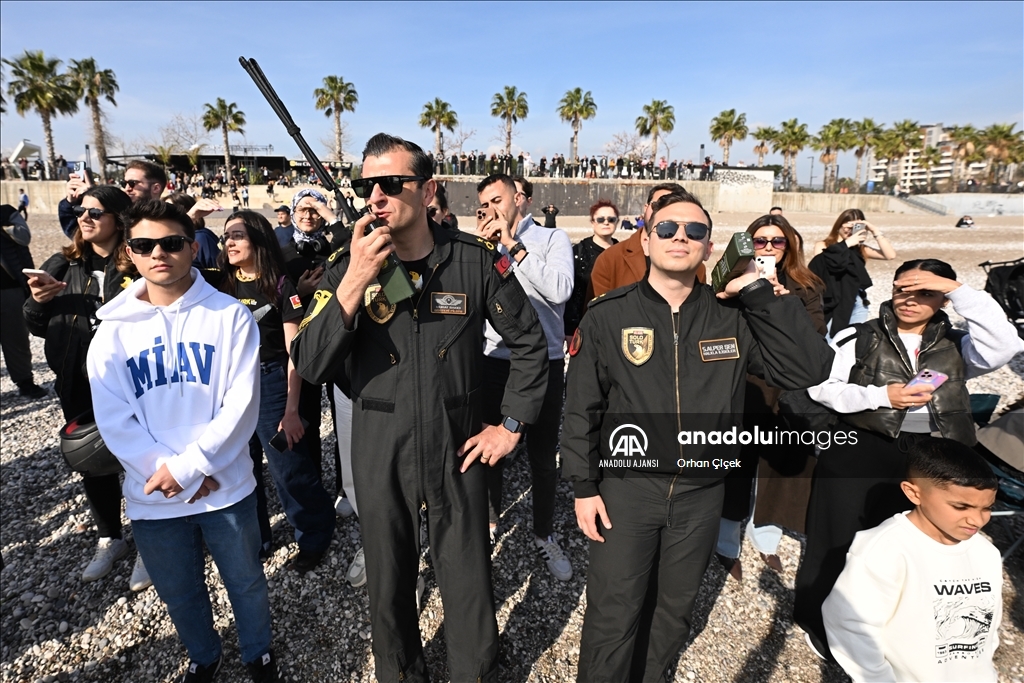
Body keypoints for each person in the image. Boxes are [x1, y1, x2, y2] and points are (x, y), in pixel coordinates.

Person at [291, 133, 549, 682]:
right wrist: (356, 279)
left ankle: (475, 672)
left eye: (391, 183)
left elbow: (530, 343)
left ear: (428, 190)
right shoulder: (347, 266)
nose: (375, 197)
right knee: (388, 581)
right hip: (380, 446)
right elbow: (309, 363)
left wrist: (511, 426)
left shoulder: (474, 261)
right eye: (366, 186)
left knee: (468, 576)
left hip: (459, 442)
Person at [562, 191, 834, 682]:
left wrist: (758, 291)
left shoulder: (734, 315)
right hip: (628, 489)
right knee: (613, 610)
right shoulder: (607, 315)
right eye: (667, 229)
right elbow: (582, 409)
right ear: (646, 241)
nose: (680, 237)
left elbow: (808, 368)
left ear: (710, 247)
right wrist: (583, 487)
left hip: (703, 491)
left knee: (674, 610)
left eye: (695, 231)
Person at [86, 199, 279, 682]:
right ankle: (203, 655)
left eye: (171, 243)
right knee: (179, 591)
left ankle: (258, 652)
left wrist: (190, 469)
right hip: (154, 495)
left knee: (246, 581)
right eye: (144, 244)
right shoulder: (110, 331)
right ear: (129, 252)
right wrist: (176, 473)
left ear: (193, 248)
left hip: (226, 488)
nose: (159, 253)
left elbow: (241, 405)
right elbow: (114, 419)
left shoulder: (230, 316)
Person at [794, 258, 1023, 660]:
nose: (910, 300)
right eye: (902, 289)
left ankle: (886, 621)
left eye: (926, 292)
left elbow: (1007, 345)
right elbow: (824, 389)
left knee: (910, 543)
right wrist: (882, 396)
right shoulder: (858, 335)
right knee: (837, 537)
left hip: (931, 454)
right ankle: (818, 622)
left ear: (944, 298)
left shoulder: (957, 345)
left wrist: (958, 290)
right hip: (861, 447)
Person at [22, 186, 152, 590]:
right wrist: (38, 301)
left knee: (140, 460)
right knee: (90, 460)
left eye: (96, 212)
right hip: (76, 380)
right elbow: (36, 325)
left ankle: (151, 542)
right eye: (81, 210)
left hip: (131, 381)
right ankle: (110, 536)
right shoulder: (63, 263)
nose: (84, 217)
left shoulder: (138, 260)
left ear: (119, 218)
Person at [823, 438, 1001, 682]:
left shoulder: (986, 552)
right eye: (961, 507)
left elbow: (990, 627)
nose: (977, 520)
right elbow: (849, 624)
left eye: (987, 508)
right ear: (914, 493)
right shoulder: (886, 549)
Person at [218, 210, 336, 571]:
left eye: (237, 235)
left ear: (258, 239)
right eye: (226, 236)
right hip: (231, 384)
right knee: (243, 465)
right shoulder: (220, 284)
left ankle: (314, 534)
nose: (229, 243)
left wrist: (291, 410)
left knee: (288, 467)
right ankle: (258, 536)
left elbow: (294, 353)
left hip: (271, 383)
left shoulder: (282, 286)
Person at [715, 214, 826, 581]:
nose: (767, 247)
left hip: (788, 387)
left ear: (789, 245)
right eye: (759, 241)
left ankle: (766, 533)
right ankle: (726, 538)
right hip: (743, 382)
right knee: (736, 460)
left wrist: (780, 299)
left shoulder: (806, 286)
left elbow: (814, 337)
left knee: (779, 462)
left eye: (777, 241)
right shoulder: (733, 282)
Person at [476, 173, 575, 579]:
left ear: (519, 199)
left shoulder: (552, 239)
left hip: (545, 360)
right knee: (489, 449)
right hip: (495, 359)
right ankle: (489, 522)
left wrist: (513, 247)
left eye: (497, 200)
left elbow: (560, 290)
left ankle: (543, 533)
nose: (490, 210)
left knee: (543, 456)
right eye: (483, 204)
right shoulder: (483, 245)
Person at [589, 183, 707, 299]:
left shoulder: (696, 265)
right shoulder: (610, 260)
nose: (664, 212)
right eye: (657, 205)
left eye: (674, 207)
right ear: (646, 208)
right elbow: (597, 309)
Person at [809, 209, 896, 340]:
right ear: (839, 225)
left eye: (856, 227)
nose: (850, 231)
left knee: (852, 340)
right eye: (848, 226)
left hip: (858, 301)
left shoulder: (860, 249)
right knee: (830, 340)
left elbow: (890, 255)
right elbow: (821, 266)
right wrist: (847, 243)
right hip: (834, 301)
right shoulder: (823, 245)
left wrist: (874, 230)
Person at [0, 204, 48, 398]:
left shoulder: (6, 213)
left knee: (16, 339)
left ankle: (25, 381)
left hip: (9, 290)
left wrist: (3, 226)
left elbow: (23, 236)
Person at [564, 199, 618, 337]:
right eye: (600, 219)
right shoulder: (578, 252)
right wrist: (570, 330)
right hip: (585, 323)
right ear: (593, 222)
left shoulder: (624, 252)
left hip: (616, 323)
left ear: (617, 222)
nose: (606, 223)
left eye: (611, 219)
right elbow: (572, 295)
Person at [164, 192, 221, 270]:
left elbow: (220, 271)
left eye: (170, 211)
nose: (165, 216)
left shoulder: (201, 238)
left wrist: (188, 218)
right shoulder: (162, 240)